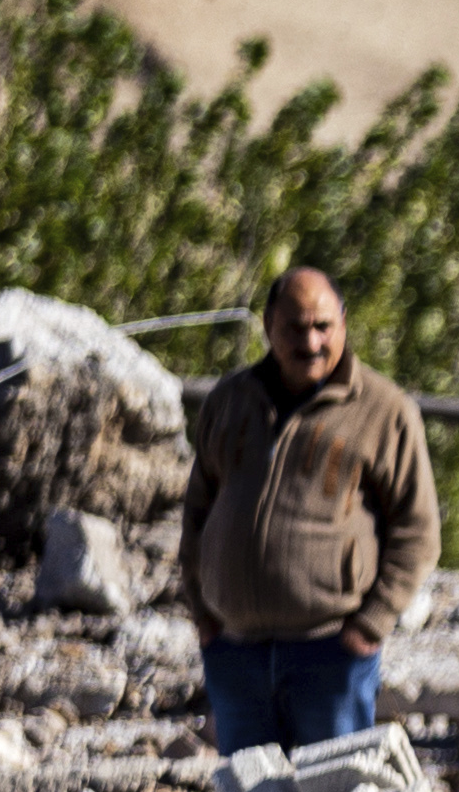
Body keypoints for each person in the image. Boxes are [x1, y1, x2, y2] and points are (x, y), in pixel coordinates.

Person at [176, 264, 439, 755]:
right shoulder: (231, 401)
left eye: (323, 326)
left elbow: (417, 530)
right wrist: (202, 612)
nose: (311, 342)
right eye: (295, 328)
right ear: (268, 327)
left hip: (331, 652)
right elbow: (198, 511)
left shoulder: (383, 410)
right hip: (234, 651)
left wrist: (369, 626)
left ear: (343, 321)